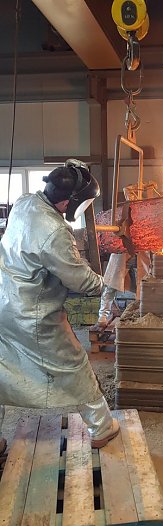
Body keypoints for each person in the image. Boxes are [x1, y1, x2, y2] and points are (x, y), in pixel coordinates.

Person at [0, 159, 119, 451]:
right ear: (69, 201)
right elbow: (78, 279)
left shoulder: (25, 202)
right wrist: (106, 285)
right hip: (32, 313)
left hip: (4, 301)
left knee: (2, 365)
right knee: (73, 363)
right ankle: (102, 428)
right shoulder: (55, 232)